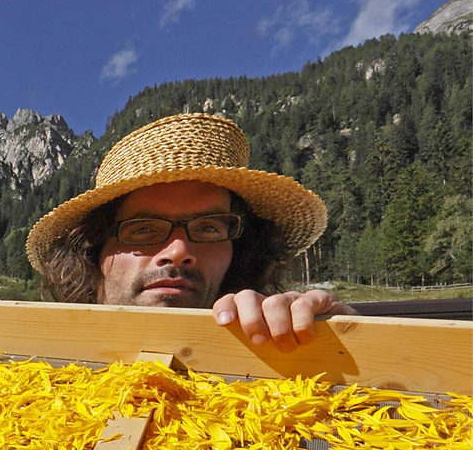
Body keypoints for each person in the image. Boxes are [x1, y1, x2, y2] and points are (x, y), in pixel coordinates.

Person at [26, 113, 355, 352]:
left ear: (240, 251)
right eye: (143, 229)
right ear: (92, 251)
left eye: (208, 228)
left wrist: (344, 344)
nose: (178, 251)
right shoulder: (26, 365)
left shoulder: (277, 367)